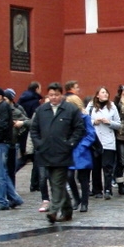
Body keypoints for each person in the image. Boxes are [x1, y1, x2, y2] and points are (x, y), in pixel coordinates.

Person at [30, 82, 85, 223]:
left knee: (57, 181)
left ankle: (53, 211)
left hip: (62, 152)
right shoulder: (42, 110)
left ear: (61, 95)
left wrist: (70, 143)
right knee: (56, 182)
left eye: (56, 95)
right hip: (45, 151)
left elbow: (79, 129)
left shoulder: (70, 110)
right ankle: (67, 211)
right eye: (51, 95)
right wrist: (39, 143)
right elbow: (34, 129)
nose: (53, 97)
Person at [0, 88, 25, 211]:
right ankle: (15, 198)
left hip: (1, 143)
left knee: (0, 174)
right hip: (3, 142)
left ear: (0, 96)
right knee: (3, 173)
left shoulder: (2, 108)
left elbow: (2, 126)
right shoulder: (4, 107)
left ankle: (2, 200)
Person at [88, 86, 121, 200]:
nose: (105, 94)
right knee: (96, 167)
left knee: (107, 167)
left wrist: (109, 122)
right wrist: (94, 121)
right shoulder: (91, 106)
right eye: (103, 92)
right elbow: (85, 121)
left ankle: (108, 189)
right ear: (97, 95)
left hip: (108, 141)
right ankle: (97, 190)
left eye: (106, 92)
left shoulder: (112, 107)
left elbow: (118, 124)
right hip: (95, 141)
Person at [67, 107, 97, 213]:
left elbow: (91, 134)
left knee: (83, 178)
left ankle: (84, 202)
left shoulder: (85, 118)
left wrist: (83, 146)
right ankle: (76, 198)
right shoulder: (65, 118)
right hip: (70, 151)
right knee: (69, 176)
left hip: (82, 151)